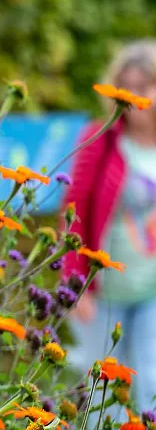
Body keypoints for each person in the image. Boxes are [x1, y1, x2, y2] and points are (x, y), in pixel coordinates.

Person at [64, 40, 156, 410]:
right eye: (126, 86)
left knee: (150, 381)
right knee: (103, 392)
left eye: (143, 87)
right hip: (104, 289)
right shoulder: (99, 139)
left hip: (151, 288)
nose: (133, 97)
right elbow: (74, 211)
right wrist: (76, 284)